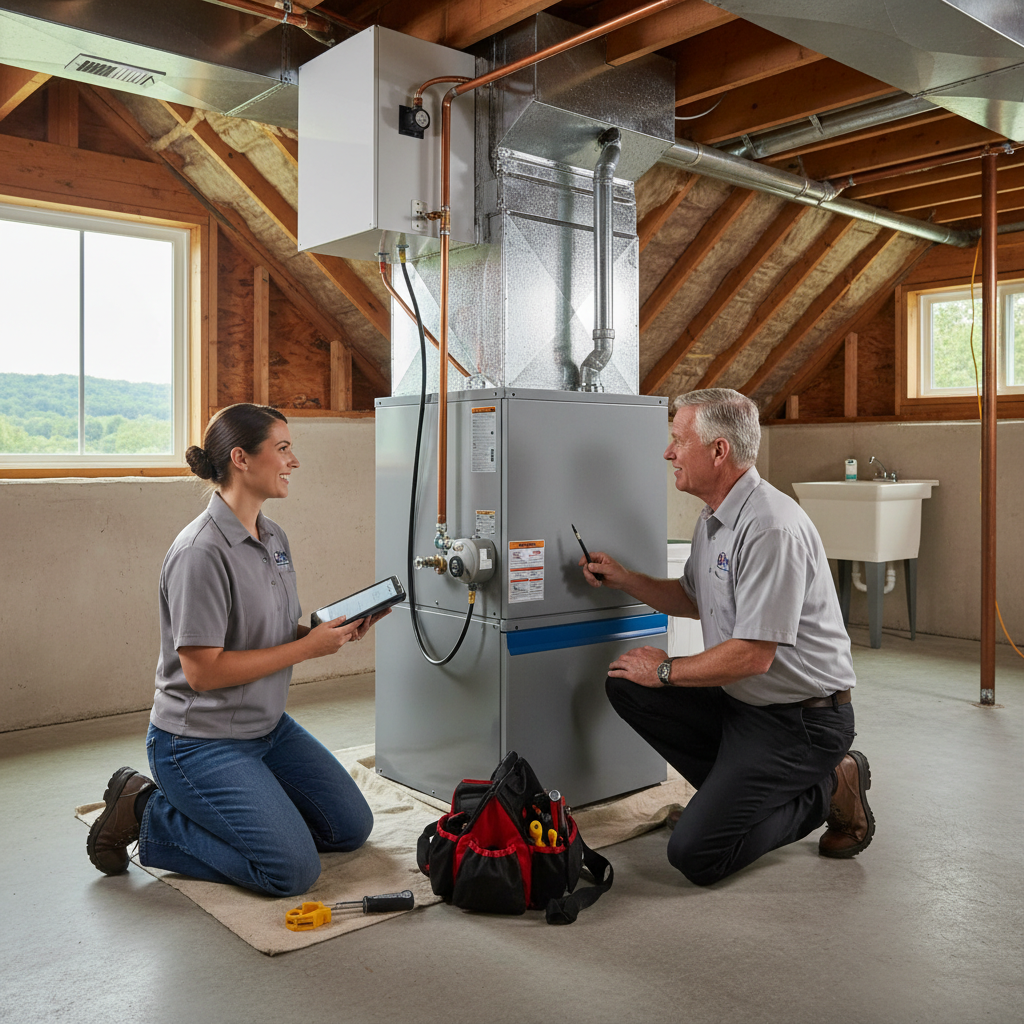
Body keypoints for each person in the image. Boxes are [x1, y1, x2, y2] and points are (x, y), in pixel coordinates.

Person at [87, 403, 387, 897]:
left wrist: (324, 633)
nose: (294, 461)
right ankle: (144, 809)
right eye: (283, 448)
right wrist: (307, 650)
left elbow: (261, 633)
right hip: (197, 742)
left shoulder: (273, 537)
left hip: (265, 729)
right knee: (291, 872)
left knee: (348, 828)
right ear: (241, 458)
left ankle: (257, 815)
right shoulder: (199, 553)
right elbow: (203, 672)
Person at [580, 388, 874, 886]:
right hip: (745, 708)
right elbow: (695, 598)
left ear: (719, 451)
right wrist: (627, 578)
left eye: (678, 441)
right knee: (626, 684)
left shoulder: (770, 527)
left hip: (801, 724)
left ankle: (829, 785)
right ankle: (730, 799)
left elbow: (754, 656)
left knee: (697, 854)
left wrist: (667, 670)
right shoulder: (715, 518)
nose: (668, 452)